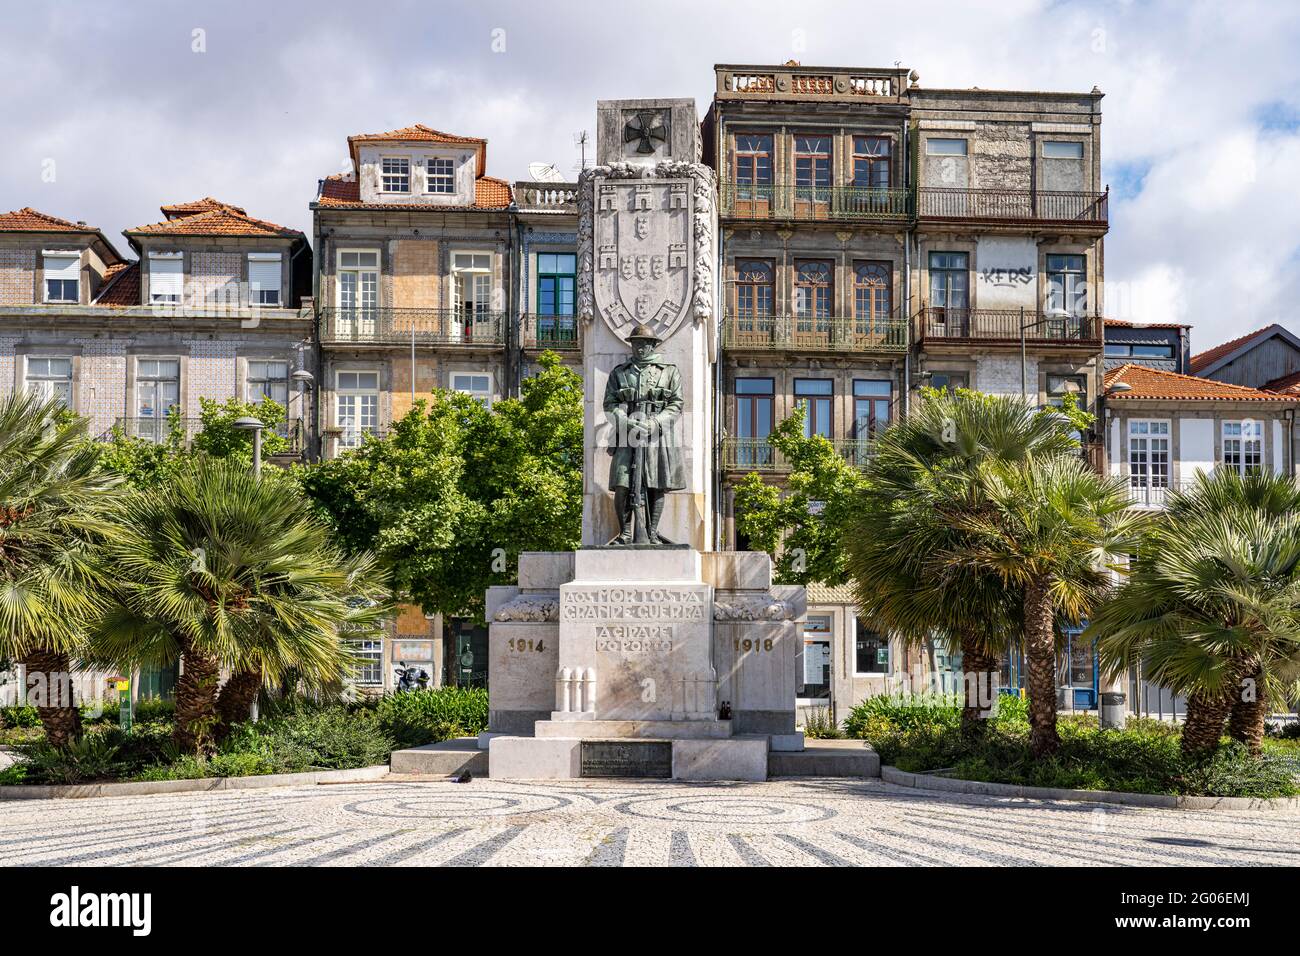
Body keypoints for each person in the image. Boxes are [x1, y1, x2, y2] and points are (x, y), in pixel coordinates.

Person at [602, 322, 685, 544]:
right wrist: (626, 422)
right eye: (636, 343)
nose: (639, 348)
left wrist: (655, 423)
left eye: (644, 344)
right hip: (626, 434)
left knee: (656, 484)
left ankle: (652, 532)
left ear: (652, 345)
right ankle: (626, 532)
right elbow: (609, 404)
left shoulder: (669, 372)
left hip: (657, 435)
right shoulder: (620, 373)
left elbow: (676, 404)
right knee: (622, 483)